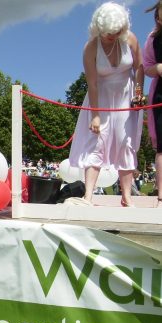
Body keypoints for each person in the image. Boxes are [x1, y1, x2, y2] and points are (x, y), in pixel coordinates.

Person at [68, 2, 144, 207]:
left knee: (125, 142)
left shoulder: (131, 39)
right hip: (100, 98)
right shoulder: (91, 47)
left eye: (117, 31)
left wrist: (138, 93)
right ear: (99, 29)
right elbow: (92, 82)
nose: (112, 36)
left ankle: (127, 197)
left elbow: (139, 68)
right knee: (96, 143)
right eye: (108, 32)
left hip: (125, 98)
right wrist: (95, 114)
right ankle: (88, 196)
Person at [143, 1, 162, 208]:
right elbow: (147, 67)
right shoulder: (153, 39)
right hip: (160, 97)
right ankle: (161, 199)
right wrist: (158, 67)